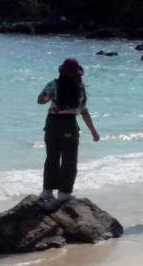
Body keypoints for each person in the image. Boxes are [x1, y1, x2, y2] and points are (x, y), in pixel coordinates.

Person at [37, 58, 100, 202]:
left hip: (52, 123)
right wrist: (93, 131)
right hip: (69, 125)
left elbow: (40, 100)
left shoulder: (53, 84)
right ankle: (64, 193)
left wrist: (47, 98)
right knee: (69, 160)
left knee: (51, 158)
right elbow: (84, 112)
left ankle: (47, 191)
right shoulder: (79, 89)